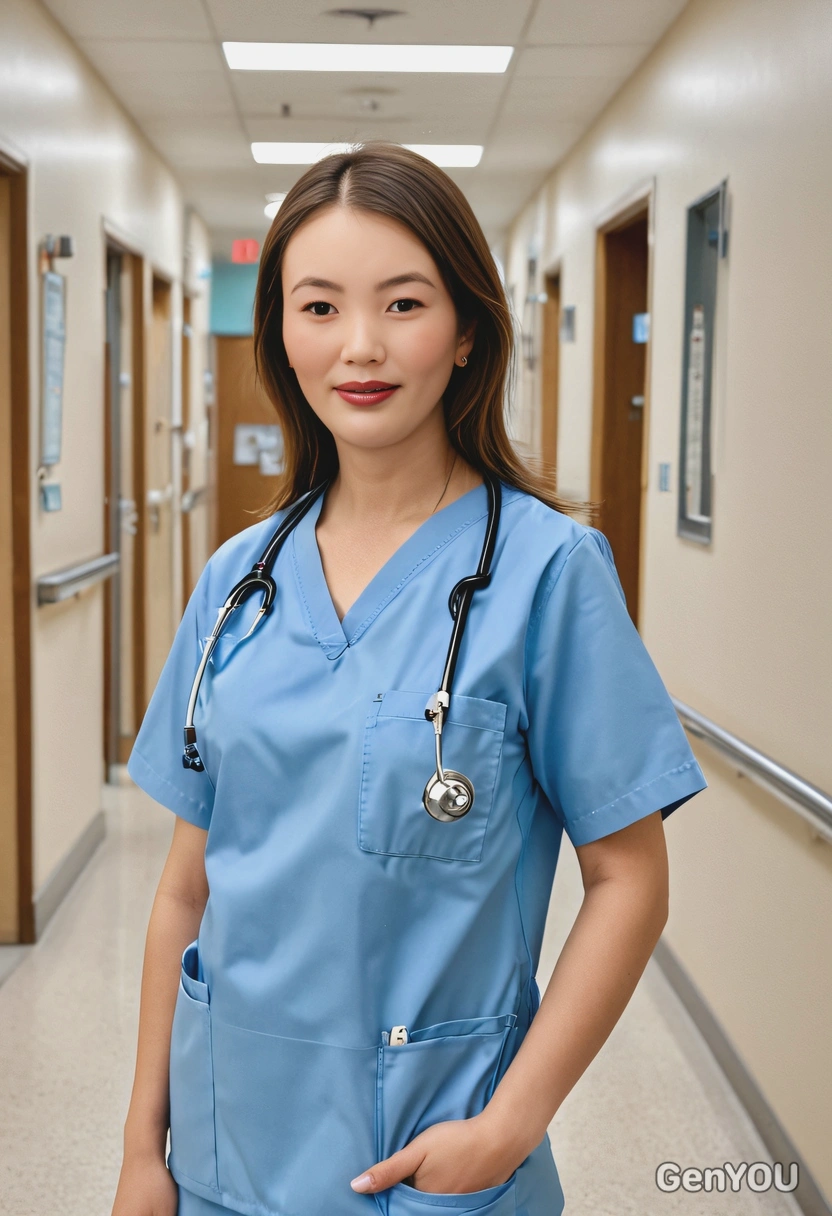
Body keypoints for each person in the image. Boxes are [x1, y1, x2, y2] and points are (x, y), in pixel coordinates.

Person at [111, 142, 707, 1216]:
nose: (362, 347)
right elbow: (185, 890)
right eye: (320, 306)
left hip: (427, 1151)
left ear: (468, 327)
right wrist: (140, 1148)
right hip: (221, 1142)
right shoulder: (234, 584)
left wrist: (508, 1127)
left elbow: (629, 880)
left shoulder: (546, 575)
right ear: (281, 333)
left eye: (403, 302)